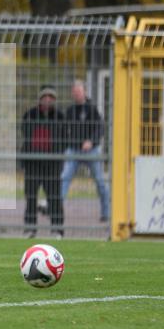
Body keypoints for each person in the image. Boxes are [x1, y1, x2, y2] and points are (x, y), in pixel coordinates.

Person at [61, 79, 110, 222]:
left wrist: (91, 141)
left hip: (92, 151)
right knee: (64, 178)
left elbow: (100, 128)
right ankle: (56, 211)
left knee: (100, 181)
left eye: (79, 91)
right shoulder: (70, 111)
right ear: (72, 93)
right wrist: (68, 143)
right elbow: (63, 130)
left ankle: (106, 214)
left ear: (84, 92)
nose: (77, 94)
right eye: (75, 92)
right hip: (73, 151)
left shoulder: (92, 109)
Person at [20, 86, 64, 238]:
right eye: (45, 97)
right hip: (33, 163)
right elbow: (25, 134)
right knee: (31, 197)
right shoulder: (30, 115)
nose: (47, 100)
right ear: (40, 99)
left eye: (51, 97)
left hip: (52, 164)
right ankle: (30, 228)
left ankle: (57, 229)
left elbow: (65, 138)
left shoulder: (60, 116)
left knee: (54, 197)